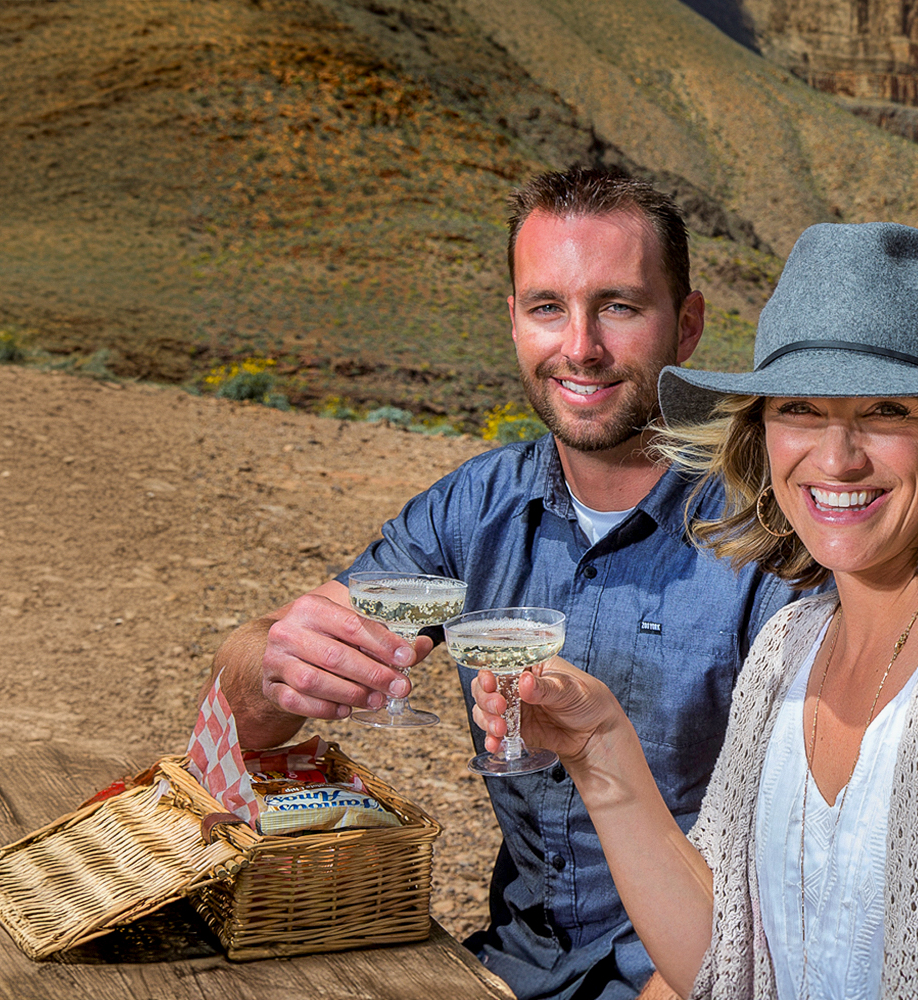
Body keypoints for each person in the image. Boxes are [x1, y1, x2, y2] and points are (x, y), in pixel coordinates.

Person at [473, 223, 918, 999]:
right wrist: (599, 748)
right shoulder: (790, 646)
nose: (836, 459)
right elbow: (721, 961)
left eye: (888, 411)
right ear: (760, 436)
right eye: (800, 408)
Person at [206, 166, 800, 1000]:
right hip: (506, 965)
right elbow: (244, 718)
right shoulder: (473, 508)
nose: (581, 347)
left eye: (619, 306)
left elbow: (791, 879)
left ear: (687, 324)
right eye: (548, 307)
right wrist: (275, 663)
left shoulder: (771, 541)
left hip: (700, 975)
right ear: (514, 320)